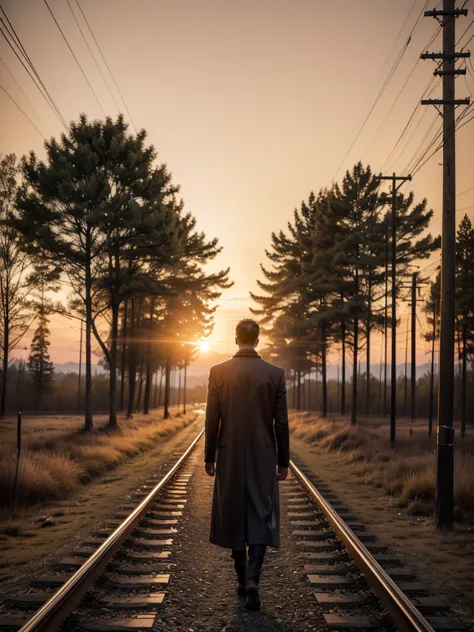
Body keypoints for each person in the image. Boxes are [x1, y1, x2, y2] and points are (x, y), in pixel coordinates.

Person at [204, 318, 290, 611]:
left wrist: (209, 456)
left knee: (233, 511)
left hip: (228, 454)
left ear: (235, 337)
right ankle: (253, 578)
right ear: (258, 339)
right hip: (263, 454)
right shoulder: (275, 374)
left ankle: (241, 579)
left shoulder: (218, 372)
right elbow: (281, 422)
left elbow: (211, 418)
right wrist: (283, 460)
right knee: (261, 513)